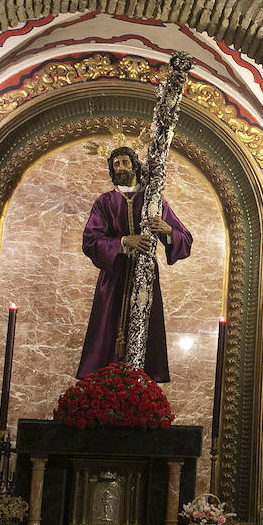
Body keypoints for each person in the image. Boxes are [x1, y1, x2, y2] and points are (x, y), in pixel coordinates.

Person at [77, 147, 192, 382]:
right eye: (116, 164)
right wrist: (123, 242)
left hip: (145, 278)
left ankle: (140, 386)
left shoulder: (152, 200)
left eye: (124, 162)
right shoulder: (105, 202)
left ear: (135, 166)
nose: (120, 168)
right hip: (113, 279)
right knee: (108, 329)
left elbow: (185, 239)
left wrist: (168, 231)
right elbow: (90, 240)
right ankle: (105, 386)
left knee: (145, 330)